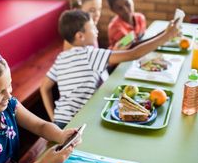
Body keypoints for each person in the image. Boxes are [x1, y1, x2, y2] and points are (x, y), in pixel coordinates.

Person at [40, 9, 179, 129]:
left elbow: (44, 88)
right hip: (78, 122)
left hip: (60, 121)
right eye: (93, 27)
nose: (97, 30)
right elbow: (133, 54)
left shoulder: (61, 57)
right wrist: (166, 37)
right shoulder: (89, 54)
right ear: (80, 36)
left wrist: (54, 119)